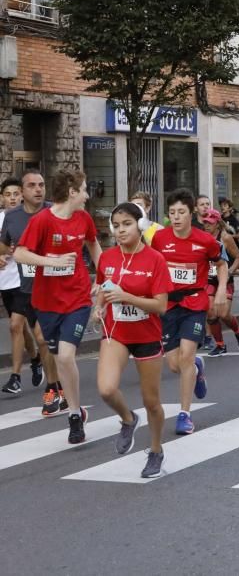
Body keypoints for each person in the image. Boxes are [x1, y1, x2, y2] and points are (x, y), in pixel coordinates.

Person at [13, 169, 101, 443]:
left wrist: (103, 277)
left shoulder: (83, 218)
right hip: (46, 302)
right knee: (55, 354)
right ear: (72, 192)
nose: (87, 195)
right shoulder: (43, 221)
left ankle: (74, 414)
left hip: (77, 299)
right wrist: (51, 262)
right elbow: (19, 252)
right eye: (84, 189)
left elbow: (94, 245)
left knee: (65, 357)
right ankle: (72, 405)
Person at [92, 203, 173, 477]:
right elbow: (104, 286)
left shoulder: (155, 260)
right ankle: (128, 419)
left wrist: (127, 297)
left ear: (140, 225)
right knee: (105, 389)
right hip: (116, 332)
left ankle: (156, 450)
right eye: (116, 225)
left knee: (151, 401)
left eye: (126, 224)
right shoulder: (108, 258)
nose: (120, 230)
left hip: (147, 335)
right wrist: (99, 306)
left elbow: (161, 306)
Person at [151, 189, 228, 435]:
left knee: (184, 357)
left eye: (181, 212)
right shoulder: (160, 239)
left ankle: (185, 414)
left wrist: (220, 291)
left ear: (191, 212)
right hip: (168, 306)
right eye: (172, 213)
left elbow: (221, 263)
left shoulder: (204, 240)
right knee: (175, 365)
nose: (176, 217)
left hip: (194, 304)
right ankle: (196, 367)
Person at [0, 177, 45, 396]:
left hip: (26, 281)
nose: (12, 199)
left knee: (16, 326)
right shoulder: (5, 218)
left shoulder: (36, 215)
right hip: (6, 282)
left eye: (16, 194)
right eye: (7, 195)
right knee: (21, 328)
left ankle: (15, 377)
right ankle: (36, 359)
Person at [203, 209, 239, 355]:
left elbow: (238, 257)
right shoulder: (202, 238)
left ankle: (238, 332)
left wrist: (229, 271)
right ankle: (220, 345)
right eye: (205, 222)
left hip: (225, 279)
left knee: (223, 313)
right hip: (209, 280)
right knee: (211, 313)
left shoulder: (226, 238)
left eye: (210, 223)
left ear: (218, 223)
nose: (207, 225)